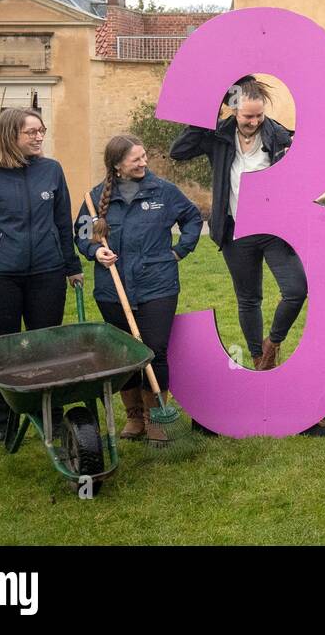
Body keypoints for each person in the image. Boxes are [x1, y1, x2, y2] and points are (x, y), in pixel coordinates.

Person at [0, 108, 84, 441]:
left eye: (42, 130)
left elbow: (61, 223)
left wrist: (72, 266)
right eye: (32, 132)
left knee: (46, 347)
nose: (40, 137)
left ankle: (50, 416)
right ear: (11, 135)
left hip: (47, 273)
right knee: (5, 350)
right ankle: (6, 424)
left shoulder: (52, 171)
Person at [170, 77, 306, 370]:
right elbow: (178, 151)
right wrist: (207, 118)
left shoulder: (278, 136)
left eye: (259, 115)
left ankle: (273, 343)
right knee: (248, 299)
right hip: (236, 231)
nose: (253, 121)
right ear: (233, 109)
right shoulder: (218, 135)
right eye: (247, 115)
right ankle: (260, 359)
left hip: (274, 232)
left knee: (296, 289)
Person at [77, 135, 203, 443]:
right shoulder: (95, 199)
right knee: (123, 354)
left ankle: (155, 417)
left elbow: (192, 218)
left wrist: (178, 251)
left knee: (154, 351)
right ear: (117, 165)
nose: (143, 162)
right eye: (136, 159)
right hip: (113, 289)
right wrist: (95, 252)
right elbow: (81, 235)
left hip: (157, 286)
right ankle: (134, 417)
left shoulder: (164, 191)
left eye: (144, 156)